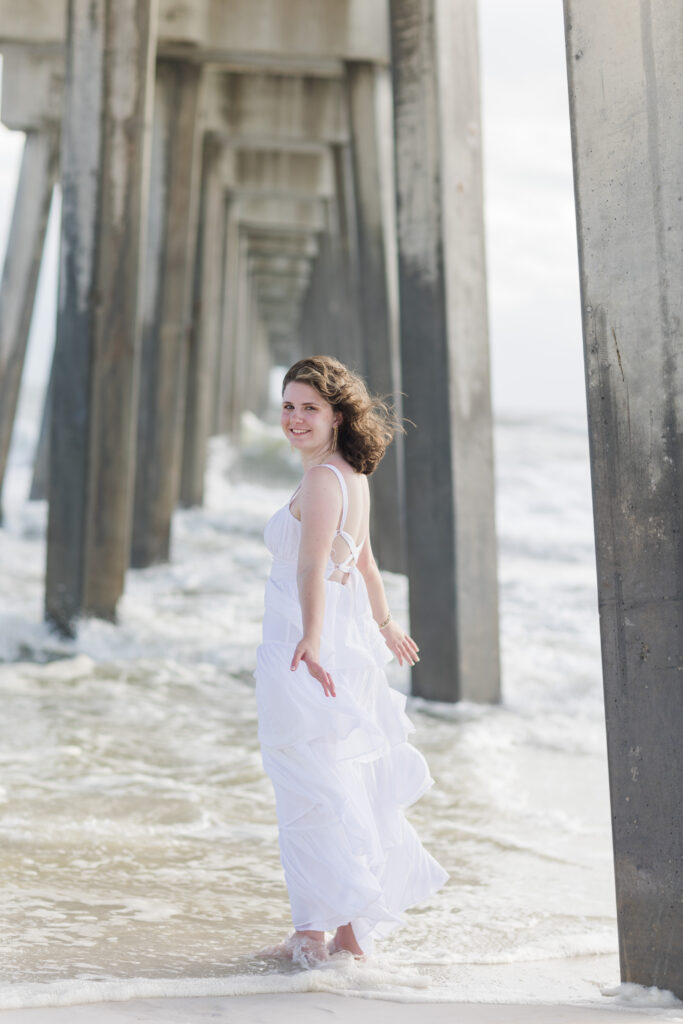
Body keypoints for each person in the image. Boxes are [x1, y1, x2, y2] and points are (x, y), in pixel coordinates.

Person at [254, 355, 449, 968]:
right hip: (342, 648)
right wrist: (386, 624)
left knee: (308, 788)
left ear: (337, 415)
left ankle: (314, 931)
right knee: (337, 782)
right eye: (288, 405)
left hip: (305, 651)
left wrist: (309, 637)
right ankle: (350, 931)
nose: (294, 418)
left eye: (309, 407)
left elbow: (314, 565)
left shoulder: (319, 481)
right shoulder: (351, 477)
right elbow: (362, 564)